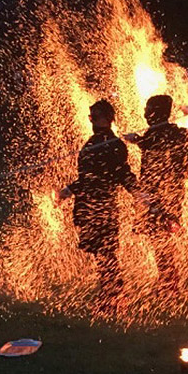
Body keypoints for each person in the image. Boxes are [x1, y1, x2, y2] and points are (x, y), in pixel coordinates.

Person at [59, 100, 137, 308]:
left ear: (106, 118)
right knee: (102, 253)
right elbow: (91, 176)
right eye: (90, 116)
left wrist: (139, 192)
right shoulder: (97, 142)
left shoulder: (111, 144)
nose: (91, 120)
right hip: (91, 205)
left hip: (101, 207)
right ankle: (110, 293)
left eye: (93, 116)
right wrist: (72, 189)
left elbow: (116, 174)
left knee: (106, 252)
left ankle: (113, 296)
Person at [124, 95, 188, 291]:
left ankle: (169, 282)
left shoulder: (158, 135)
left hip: (161, 197)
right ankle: (168, 279)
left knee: (159, 237)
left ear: (156, 112)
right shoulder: (170, 134)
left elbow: (159, 146)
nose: (145, 113)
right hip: (165, 196)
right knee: (159, 237)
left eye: (149, 109)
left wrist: (138, 141)